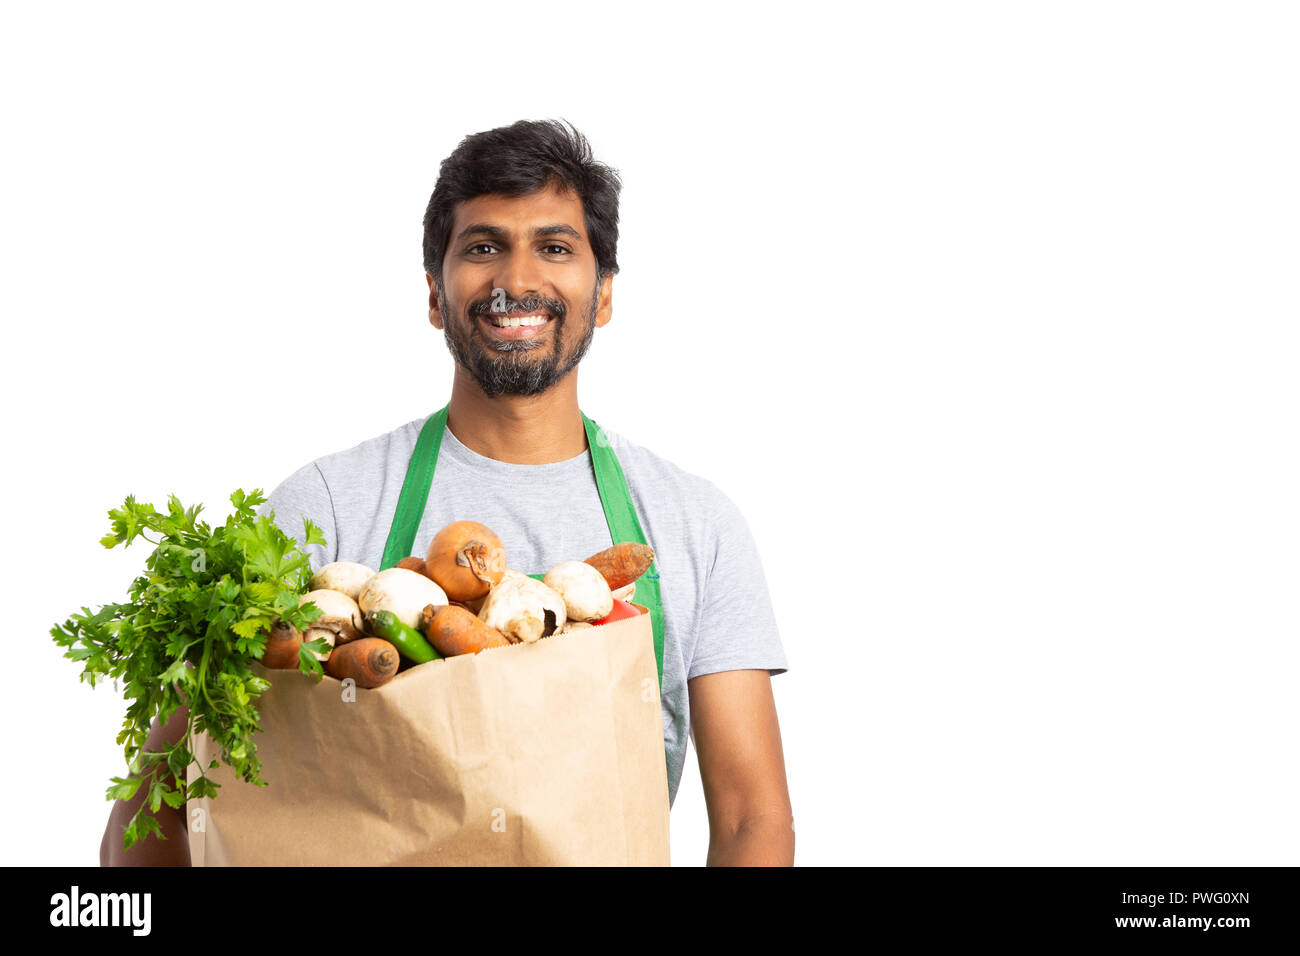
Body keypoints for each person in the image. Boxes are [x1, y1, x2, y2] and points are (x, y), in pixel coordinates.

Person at [101, 119, 793, 866]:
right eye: (483, 247)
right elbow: (157, 800)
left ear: (604, 296)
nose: (517, 281)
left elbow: (753, 818)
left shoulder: (693, 524)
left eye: (555, 248)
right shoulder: (327, 507)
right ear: (436, 293)